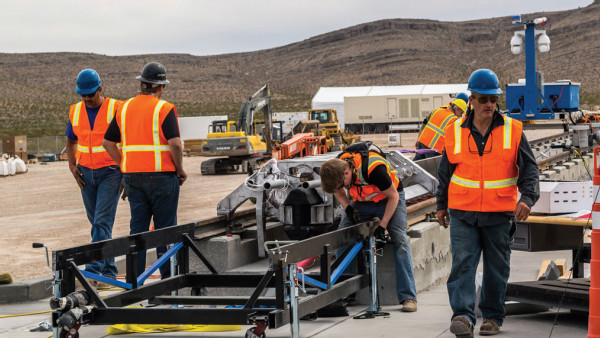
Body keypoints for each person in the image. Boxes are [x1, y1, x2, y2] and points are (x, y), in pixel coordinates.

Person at [435, 69, 539, 337]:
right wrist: (440, 205)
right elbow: (445, 172)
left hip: (498, 214)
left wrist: (527, 198)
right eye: (483, 99)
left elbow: (530, 170)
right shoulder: (454, 130)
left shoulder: (513, 131)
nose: (489, 105)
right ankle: (462, 316)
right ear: (471, 99)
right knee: (463, 265)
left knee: (497, 268)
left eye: (493, 99)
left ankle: (492, 317)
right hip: (463, 212)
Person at [103, 62, 187, 279]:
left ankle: (134, 282)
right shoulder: (164, 108)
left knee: (137, 231)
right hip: (162, 177)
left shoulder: (124, 108)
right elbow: (175, 144)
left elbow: (108, 143)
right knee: (165, 231)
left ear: (141, 84)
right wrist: (180, 170)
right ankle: (168, 282)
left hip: (132, 178)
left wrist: (125, 164)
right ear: (160, 87)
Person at [320, 141, 418, 312]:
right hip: (362, 202)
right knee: (342, 237)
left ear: (346, 172)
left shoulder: (374, 169)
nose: (343, 188)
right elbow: (337, 189)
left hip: (389, 200)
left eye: (343, 184)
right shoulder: (338, 164)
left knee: (400, 239)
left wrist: (383, 225)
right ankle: (347, 292)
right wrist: (347, 207)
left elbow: (393, 197)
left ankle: (408, 297)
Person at [66, 69, 122, 285]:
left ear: (100, 88)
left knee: (101, 221)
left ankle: (92, 271)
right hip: (85, 173)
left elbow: (125, 142)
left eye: (91, 94)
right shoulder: (75, 111)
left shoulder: (116, 108)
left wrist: (125, 172)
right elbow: (71, 141)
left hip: (111, 172)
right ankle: (109, 271)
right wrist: (72, 166)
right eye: (83, 95)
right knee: (98, 224)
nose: (87, 99)